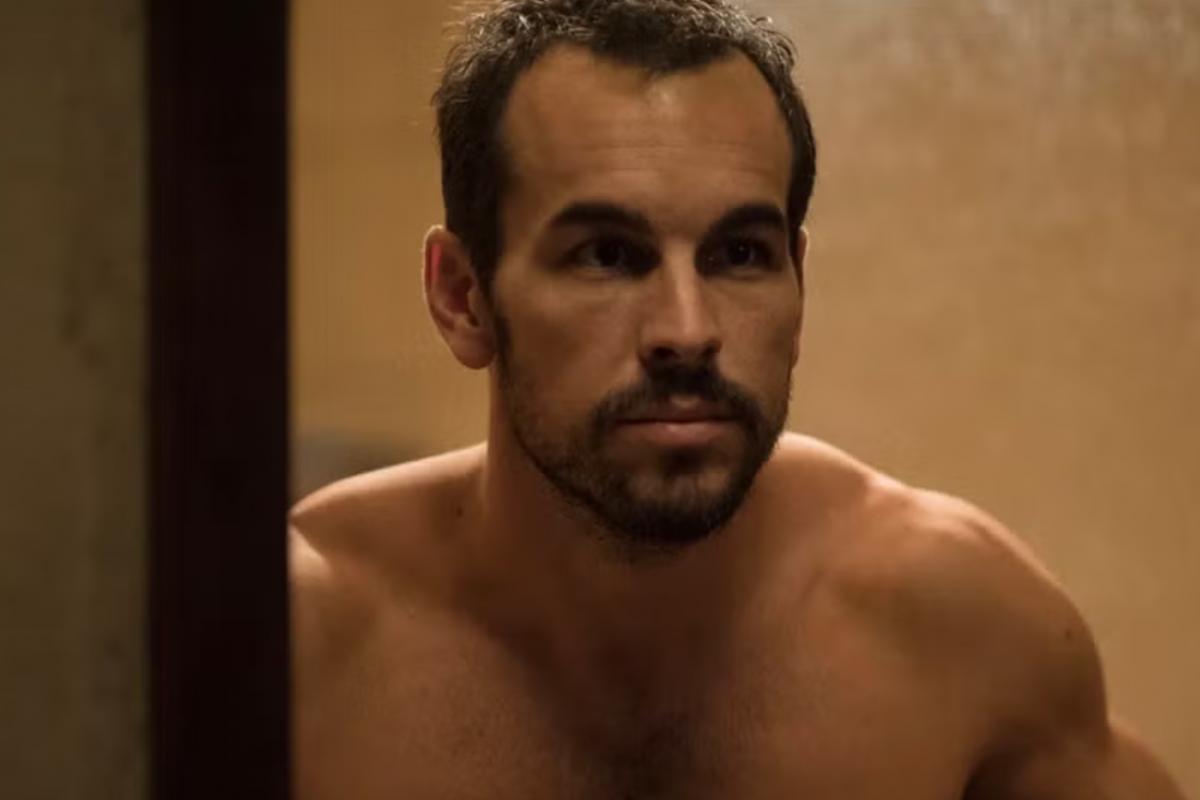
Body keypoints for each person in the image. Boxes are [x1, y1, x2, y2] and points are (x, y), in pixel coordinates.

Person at [289, 1, 1188, 797]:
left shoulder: (954, 630)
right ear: (462, 297)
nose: (687, 331)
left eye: (739, 255)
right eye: (607, 255)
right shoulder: (307, 647)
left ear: (798, 281)